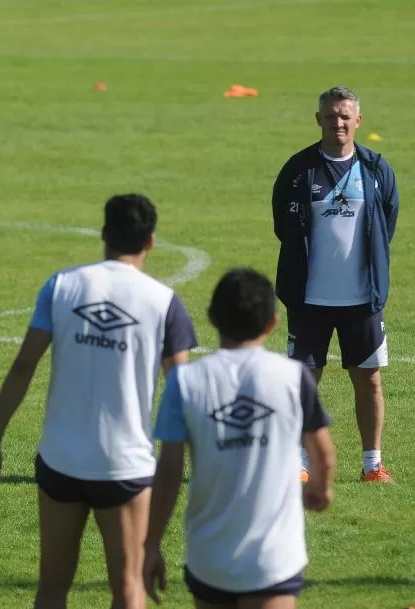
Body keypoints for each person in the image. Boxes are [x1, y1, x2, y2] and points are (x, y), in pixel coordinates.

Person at [0, 194, 197, 609]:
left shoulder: (62, 286)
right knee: (128, 586)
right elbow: (181, 393)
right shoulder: (165, 303)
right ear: (150, 241)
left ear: (103, 235)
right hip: (124, 466)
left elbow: (23, 366)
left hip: (60, 460)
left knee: (53, 586)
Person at [144, 268, 336, 609]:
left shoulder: (184, 383)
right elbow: (322, 453)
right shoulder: (294, 377)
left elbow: (170, 470)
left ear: (212, 319)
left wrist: (151, 544)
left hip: (210, 558)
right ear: (272, 324)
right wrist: (320, 490)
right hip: (274, 559)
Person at [272, 86, 399, 483]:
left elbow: (386, 224)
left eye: (345, 116)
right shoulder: (298, 169)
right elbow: (283, 225)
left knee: (369, 380)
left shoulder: (376, 169)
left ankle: (372, 464)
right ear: (319, 119)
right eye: (330, 116)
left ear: (358, 121)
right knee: (304, 381)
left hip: (362, 298)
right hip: (309, 298)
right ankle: (299, 463)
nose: (338, 122)